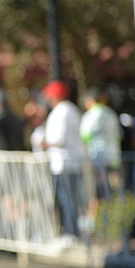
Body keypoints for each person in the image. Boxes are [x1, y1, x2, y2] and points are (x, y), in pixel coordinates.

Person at [40, 80, 88, 239]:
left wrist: (44, 143)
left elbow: (59, 139)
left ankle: (71, 232)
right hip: (66, 162)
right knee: (68, 199)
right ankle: (71, 231)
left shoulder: (64, 111)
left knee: (68, 199)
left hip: (66, 162)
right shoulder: (68, 110)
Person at [79, 87, 122, 220]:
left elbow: (84, 135)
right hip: (114, 158)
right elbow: (119, 135)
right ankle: (115, 220)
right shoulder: (110, 113)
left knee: (98, 193)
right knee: (113, 191)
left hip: (98, 158)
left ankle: (102, 223)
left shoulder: (91, 115)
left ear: (90, 101)